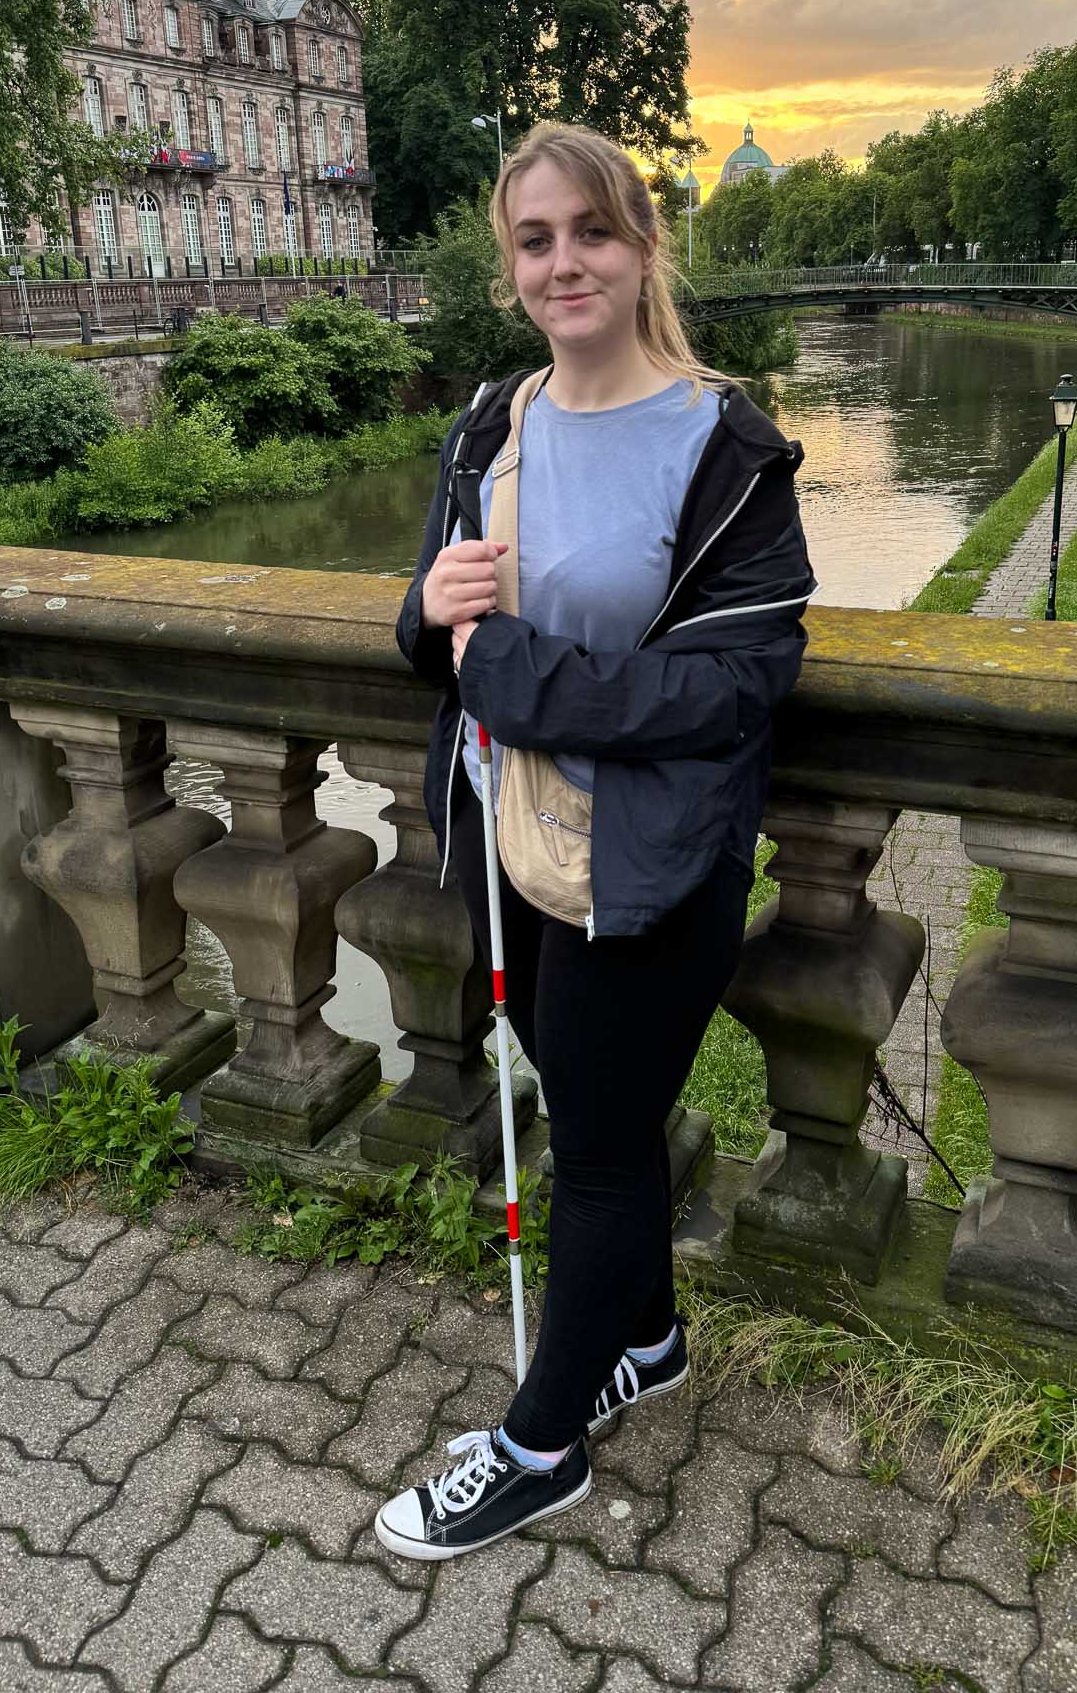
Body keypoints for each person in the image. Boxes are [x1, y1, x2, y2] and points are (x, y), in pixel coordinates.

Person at [376, 121, 815, 1561]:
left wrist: (509, 675)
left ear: (642, 248)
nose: (564, 262)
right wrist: (428, 611)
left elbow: (731, 688)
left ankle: (541, 1441)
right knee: (591, 1111)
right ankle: (655, 1341)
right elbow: (432, 632)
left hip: (656, 868)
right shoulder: (493, 422)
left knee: (603, 1156)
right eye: (534, 240)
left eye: (591, 233)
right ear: (511, 269)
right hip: (525, 853)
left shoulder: (729, 448)